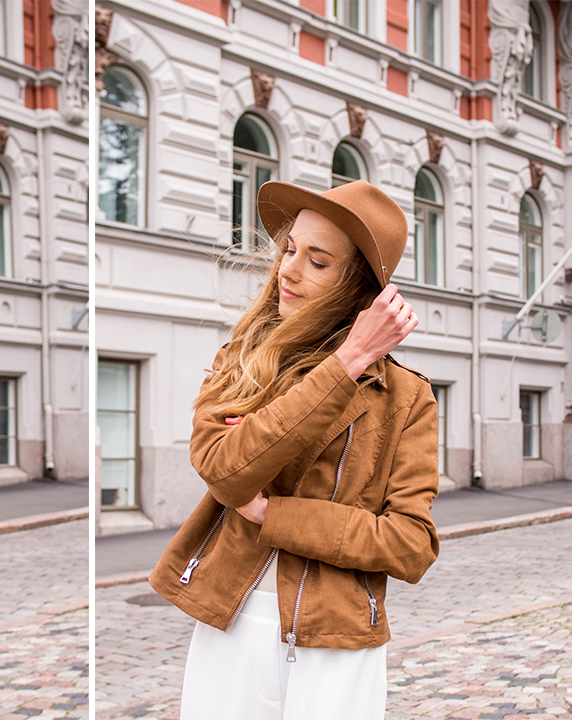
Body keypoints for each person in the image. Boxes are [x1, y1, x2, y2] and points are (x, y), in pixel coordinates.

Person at [149, 179, 440, 720]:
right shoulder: (241, 357)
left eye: (318, 261)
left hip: (339, 636)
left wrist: (272, 512)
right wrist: (343, 365)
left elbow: (410, 545)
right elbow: (224, 470)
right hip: (231, 617)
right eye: (289, 249)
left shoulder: (407, 397)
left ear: (359, 286)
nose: (288, 269)